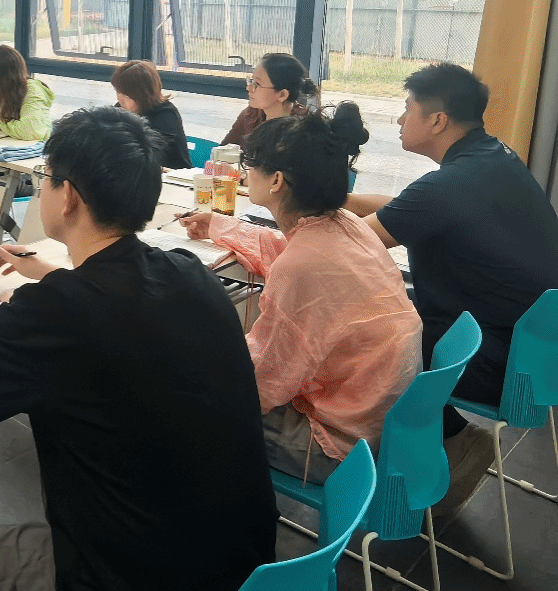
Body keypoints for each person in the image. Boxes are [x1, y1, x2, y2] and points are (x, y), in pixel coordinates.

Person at [0, 107, 277, 591]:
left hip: (134, 575)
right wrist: (44, 276)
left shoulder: (55, 312)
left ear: (69, 196)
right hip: (246, 564)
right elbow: (115, 298)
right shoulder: (189, 272)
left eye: (45, 176)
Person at [348, 62, 558, 514]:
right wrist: (344, 200)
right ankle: (435, 438)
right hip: (537, 353)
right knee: (382, 315)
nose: (400, 119)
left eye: (408, 109)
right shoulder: (492, 157)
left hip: (495, 360)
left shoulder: (448, 186)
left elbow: (350, 245)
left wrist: (301, 212)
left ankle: (449, 440)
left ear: (437, 120)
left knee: (366, 338)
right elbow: (407, 206)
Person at [181, 106, 422, 484]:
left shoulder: (302, 267)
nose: (246, 172)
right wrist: (219, 226)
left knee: (182, 395)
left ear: (276, 180)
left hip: (339, 447)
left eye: (249, 165)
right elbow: (285, 249)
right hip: (383, 420)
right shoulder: (346, 224)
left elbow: (263, 386)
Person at [221, 52, 319, 147]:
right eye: (252, 81)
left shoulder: (304, 130)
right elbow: (223, 150)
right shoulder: (250, 114)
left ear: (282, 95)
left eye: (257, 84)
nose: (249, 88)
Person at [111, 59, 192, 169]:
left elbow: (150, 155)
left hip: (170, 175)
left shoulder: (166, 114)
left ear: (143, 95)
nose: (120, 99)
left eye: (127, 95)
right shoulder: (121, 109)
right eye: (118, 92)